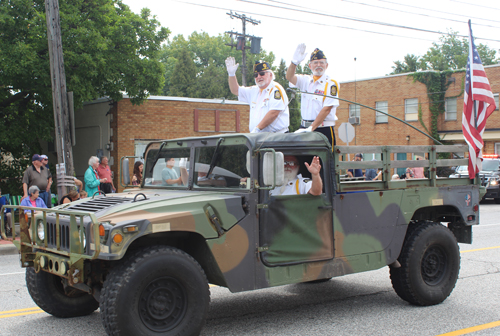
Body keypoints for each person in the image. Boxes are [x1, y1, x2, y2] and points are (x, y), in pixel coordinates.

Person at [286, 44, 339, 146]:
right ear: (310, 66)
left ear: (326, 65)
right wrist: (294, 62)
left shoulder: (331, 83)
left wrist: (312, 128)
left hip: (323, 129)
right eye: (315, 63)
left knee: (324, 161)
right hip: (304, 128)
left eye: (321, 62)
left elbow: (327, 109)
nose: (318, 65)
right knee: (303, 161)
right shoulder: (305, 81)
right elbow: (289, 76)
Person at [225, 58, 289, 133]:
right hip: (259, 137)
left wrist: (258, 128)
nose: (258, 77)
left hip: (276, 137)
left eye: (262, 74)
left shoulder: (276, 89)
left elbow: (274, 113)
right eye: (256, 75)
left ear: (270, 74)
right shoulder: (254, 91)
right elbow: (235, 90)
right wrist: (231, 74)